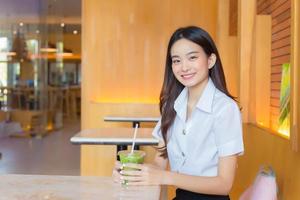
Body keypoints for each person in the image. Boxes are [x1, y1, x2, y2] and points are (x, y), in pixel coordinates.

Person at [113, 26, 244, 200]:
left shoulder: (225, 108)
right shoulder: (171, 105)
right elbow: (160, 164)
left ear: (210, 60)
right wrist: (134, 173)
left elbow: (224, 184)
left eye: (192, 57)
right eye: (176, 60)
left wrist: (165, 177)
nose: (184, 67)